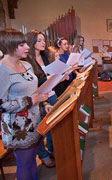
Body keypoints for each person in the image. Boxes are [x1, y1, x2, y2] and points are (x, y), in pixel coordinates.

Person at [0, 29, 49, 180]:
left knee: (32, 160)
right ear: (9, 46)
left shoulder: (27, 64)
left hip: (35, 120)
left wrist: (44, 101)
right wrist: (31, 101)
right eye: (22, 44)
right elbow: (1, 105)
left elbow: (34, 90)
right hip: (18, 127)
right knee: (25, 164)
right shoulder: (2, 69)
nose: (28, 47)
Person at [25, 30, 57, 167]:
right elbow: (33, 82)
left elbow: (50, 73)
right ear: (31, 42)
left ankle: (52, 150)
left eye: (44, 40)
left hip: (51, 94)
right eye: (39, 40)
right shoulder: (26, 61)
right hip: (37, 98)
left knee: (52, 126)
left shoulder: (45, 57)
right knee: (40, 128)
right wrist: (49, 79)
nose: (43, 42)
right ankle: (43, 156)